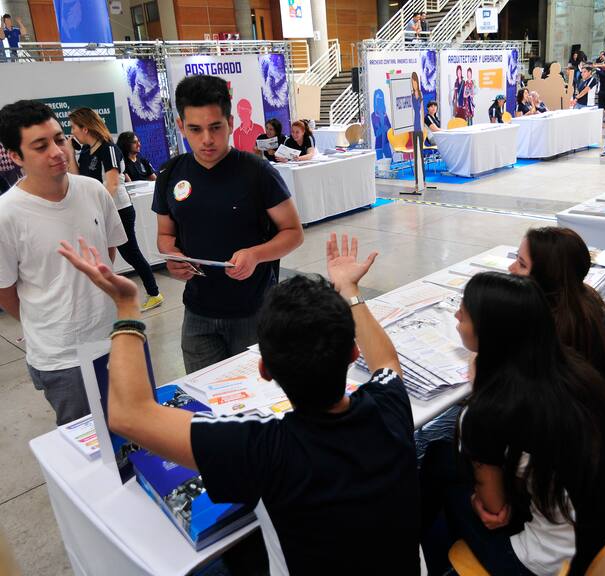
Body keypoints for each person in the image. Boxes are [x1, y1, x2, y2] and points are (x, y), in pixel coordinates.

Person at [58, 232, 421, 574]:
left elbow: (128, 415)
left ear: (263, 368)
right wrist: (350, 290)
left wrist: (126, 307)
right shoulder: (388, 405)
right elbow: (387, 363)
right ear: (352, 353)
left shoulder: (264, 449)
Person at [420, 273, 605, 576]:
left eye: (464, 313)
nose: (456, 315)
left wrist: (481, 499)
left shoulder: (488, 411)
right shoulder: (574, 371)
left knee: (440, 465)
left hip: (552, 562)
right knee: (446, 457)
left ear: (488, 335)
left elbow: (494, 511)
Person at [153, 74, 303, 373]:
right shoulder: (171, 174)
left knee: (258, 404)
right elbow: (164, 234)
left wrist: (256, 254)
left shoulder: (257, 172)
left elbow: (293, 233)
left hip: (255, 312)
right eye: (195, 129)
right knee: (207, 405)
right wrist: (173, 257)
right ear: (180, 126)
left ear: (231, 123)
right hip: (197, 314)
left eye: (215, 127)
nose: (206, 139)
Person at [0, 100, 127, 425]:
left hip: (115, 338)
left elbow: (107, 253)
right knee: (88, 449)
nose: (57, 151)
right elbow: (6, 292)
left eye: (59, 139)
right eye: (40, 146)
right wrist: (50, 320)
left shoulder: (93, 190)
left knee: (134, 437)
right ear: (15, 156)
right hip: (61, 359)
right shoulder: (6, 214)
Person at [509, 227, 605, 460]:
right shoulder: (583, 298)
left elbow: (525, 401)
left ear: (546, 276)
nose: (511, 269)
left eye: (522, 264)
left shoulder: (556, 329)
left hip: (600, 456)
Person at [67, 108, 163, 312]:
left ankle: (154, 293)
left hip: (118, 210)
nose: (72, 132)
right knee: (101, 254)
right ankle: (105, 297)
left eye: (74, 127)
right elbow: (78, 179)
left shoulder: (108, 148)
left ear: (85, 128)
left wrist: (97, 209)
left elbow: (112, 184)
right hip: (98, 212)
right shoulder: (85, 151)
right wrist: (70, 154)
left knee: (131, 253)